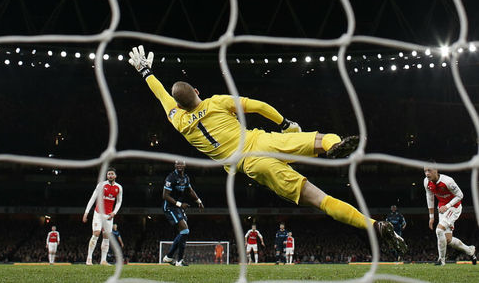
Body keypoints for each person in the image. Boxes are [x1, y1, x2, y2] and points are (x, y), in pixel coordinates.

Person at [128, 45, 406, 254]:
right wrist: (285, 123)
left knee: (319, 199)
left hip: (251, 165)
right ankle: (335, 146)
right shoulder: (215, 102)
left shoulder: (178, 121)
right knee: (319, 139)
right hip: (261, 140)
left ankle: (374, 226)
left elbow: (163, 95)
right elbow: (258, 106)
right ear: (198, 92)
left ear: (180, 106)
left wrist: (145, 73)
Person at [423, 165, 477, 266]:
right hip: (442, 209)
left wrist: (447, 206)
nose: (427, 173)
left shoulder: (448, 181)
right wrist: (431, 217)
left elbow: (460, 195)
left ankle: (441, 260)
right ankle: (470, 251)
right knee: (448, 240)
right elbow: (430, 197)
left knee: (439, 230)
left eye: (429, 170)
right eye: (425, 171)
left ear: (436, 170)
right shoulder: (426, 182)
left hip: (454, 207)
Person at [161, 160, 204, 267]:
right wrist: (180, 204)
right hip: (170, 207)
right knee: (185, 230)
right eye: (177, 164)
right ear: (175, 165)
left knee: (184, 232)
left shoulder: (185, 178)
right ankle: (175, 259)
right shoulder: (171, 177)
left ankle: (173, 258)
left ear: (185, 165)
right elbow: (165, 196)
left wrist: (199, 201)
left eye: (181, 164)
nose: (179, 165)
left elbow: (190, 190)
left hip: (178, 208)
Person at [82, 167, 123, 265]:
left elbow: (119, 202)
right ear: (106, 175)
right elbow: (92, 198)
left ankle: (103, 260)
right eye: (108, 174)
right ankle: (89, 259)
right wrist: (86, 212)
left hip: (109, 216)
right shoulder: (101, 185)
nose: (110, 175)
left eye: (112, 174)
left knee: (106, 237)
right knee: (96, 233)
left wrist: (114, 212)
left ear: (115, 175)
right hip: (98, 214)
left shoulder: (119, 187)